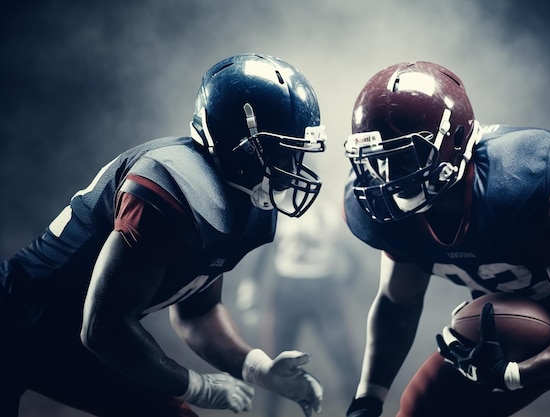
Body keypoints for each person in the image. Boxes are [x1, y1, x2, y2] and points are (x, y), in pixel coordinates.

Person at [0, 53, 327, 417]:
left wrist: (257, 368)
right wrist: (195, 385)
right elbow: (104, 327)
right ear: (240, 144)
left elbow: (197, 312)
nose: (292, 169)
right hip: (16, 318)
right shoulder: (173, 183)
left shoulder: (245, 199)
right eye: (282, 152)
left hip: (70, 338)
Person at [341, 60, 550, 417]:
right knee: (419, 409)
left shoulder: (523, 177)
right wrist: (367, 399)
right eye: (376, 160)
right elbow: (398, 304)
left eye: (402, 158)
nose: (386, 178)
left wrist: (514, 376)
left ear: (456, 141)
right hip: (508, 329)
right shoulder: (389, 215)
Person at [236, 196, 361, 417]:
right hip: (288, 288)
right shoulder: (281, 210)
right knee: (275, 361)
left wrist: (348, 280)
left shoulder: (331, 211)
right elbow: (264, 248)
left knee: (344, 356)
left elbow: (351, 253)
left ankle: (359, 411)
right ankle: (270, 413)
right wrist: (250, 287)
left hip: (322, 287)